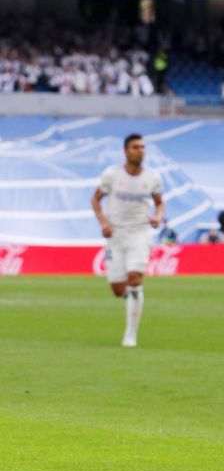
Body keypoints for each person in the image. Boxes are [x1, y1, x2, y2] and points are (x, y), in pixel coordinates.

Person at [90, 134, 164, 348]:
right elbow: (96, 199)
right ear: (126, 151)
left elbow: (160, 203)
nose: (140, 151)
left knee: (135, 277)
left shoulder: (153, 177)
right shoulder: (112, 175)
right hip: (115, 235)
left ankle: (130, 335)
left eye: (142, 147)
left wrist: (158, 217)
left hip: (139, 233)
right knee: (118, 288)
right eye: (135, 147)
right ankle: (132, 296)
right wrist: (103, 223)